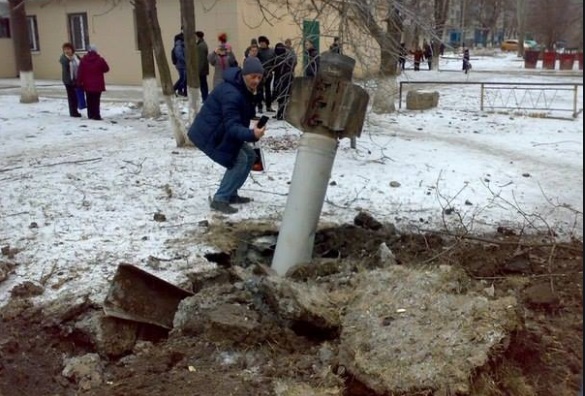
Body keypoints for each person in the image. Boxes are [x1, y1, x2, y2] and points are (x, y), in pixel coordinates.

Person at [187, 57, 267, 215]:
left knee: (250, 155)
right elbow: (232, 126)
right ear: (244, 74)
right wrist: (252, 134)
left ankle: (231, 193)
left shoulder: (242, 88)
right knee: (240, 159)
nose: (256, 80)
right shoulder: (232, 93)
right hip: (210, 134)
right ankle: (220, 198)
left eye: (259, 77)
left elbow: (242, 115)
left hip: (220, 131)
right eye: (253, 76)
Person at [77, 44, 110, 120]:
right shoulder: (100, 60)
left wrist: (79, 82)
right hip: (98, 84)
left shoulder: (83, 60)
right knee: (96, 100)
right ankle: (96, 115)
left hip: (87, 84)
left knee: (89, 100)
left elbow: (80, 72)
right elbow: (106, 69)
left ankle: (90, 114)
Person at [272, 42, 296, 120]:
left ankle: (282, 113)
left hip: (286, 78)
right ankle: (280, 113)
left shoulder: (288, 57)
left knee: (284, 97)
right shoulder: (280, 57)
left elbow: (291, 66)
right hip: (280, 78)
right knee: (281, 97)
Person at [59, 42, 82, 118]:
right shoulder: (64, 58)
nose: (67, 51)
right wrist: (70, 60)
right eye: (65, 49)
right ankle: (73, 112)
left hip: (77, 79)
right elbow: (64, 63)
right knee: (71, 96)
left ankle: (76, 110)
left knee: (76, 96)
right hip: (68, 80)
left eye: (68, 49)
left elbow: (81, 64)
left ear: (72, 49)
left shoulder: (76, 57)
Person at [257, 35, 276, 113]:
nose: (261, 44)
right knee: (259, 91)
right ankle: (260, 107)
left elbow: (275, 61)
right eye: (260, 43)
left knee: (268, 91)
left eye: (263, 42)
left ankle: (269, 106)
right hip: (260, 73)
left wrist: (272, 69)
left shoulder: (271, 51)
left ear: (266, 43)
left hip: (269, 73)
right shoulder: (258, 51)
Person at [195, 31, 210, 101]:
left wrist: (198, 70)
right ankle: (205, 97)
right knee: (204, 83)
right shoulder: (202, 44)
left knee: (203, 84)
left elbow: (201, 59)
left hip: (202, 69)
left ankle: (205, 98)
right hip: (203, 68)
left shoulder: (200, 46)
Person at [171, 32, 187, 96]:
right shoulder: (178, 46)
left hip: (182, 65)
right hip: (181, 65)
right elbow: (179, 56)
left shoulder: (181, 45)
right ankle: (173, 90)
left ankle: (180, 91)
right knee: (182, 79)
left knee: (184, 79)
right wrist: (186, 61)